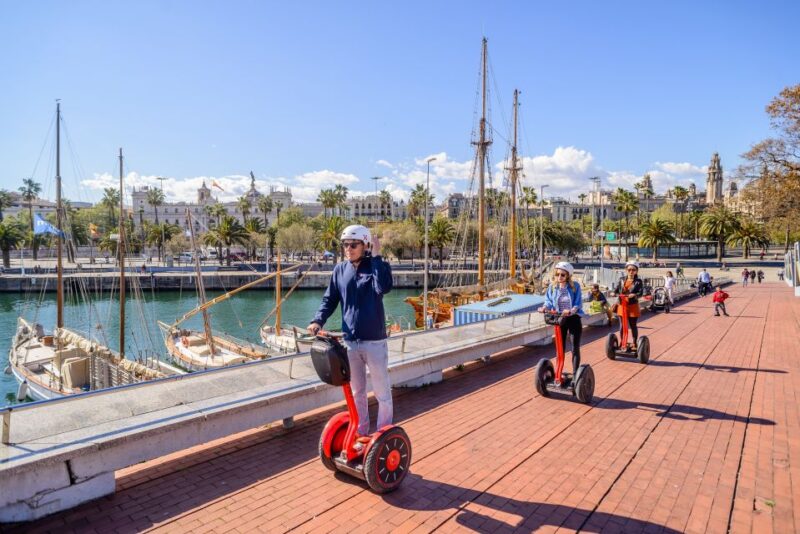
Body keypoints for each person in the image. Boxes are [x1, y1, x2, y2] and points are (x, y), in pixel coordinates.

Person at [308, 225, 393, 447]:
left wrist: (376, 257)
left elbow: (383, 287)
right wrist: (318, 320)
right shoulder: (340, 270)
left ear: (365, 245)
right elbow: (330, 299)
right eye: (345, 244)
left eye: (353, 245)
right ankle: (361, 432)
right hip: (351, 343)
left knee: (382, 392)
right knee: (357, 392)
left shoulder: (376, 267)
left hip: (374, 341)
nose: (348, 249)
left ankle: (383, 435)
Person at [542, 261, 584, 385]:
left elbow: (578, 302)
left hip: (573, 319)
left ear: (568, 276)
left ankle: (576, 375)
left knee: (574, 348)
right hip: (559, 319)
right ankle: (558, 373)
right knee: (560, 348)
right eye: (557, 274)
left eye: (562, 275)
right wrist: (544, 307)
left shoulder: (575, 286)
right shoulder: (552, 287)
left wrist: (571, 310)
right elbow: (548, 301)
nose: (559, 277)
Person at [613, 261, 644, 349]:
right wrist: (613, 293)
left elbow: (641, 293)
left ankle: (634, 343)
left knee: (633, 325)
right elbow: (615, 290)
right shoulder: (621, 279)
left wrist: (634, 295)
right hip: (622, 305)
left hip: (632, 306)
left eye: (633, 270)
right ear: (626, 270)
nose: (631, 271)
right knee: (622, 325)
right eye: (629, 269)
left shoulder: (638, 281)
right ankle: (623, 342)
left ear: (636, 271)